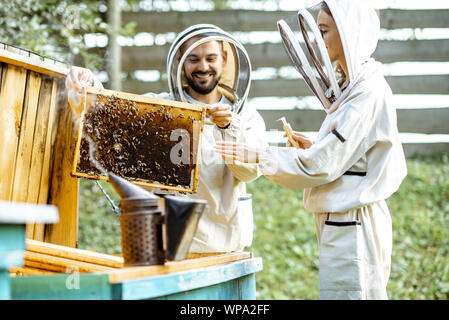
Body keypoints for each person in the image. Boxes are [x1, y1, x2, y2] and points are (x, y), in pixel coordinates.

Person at [215, 0, 407, 300]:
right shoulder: (355, 84)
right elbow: (349, 152)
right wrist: (316, 144)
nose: (317, 39)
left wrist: (259, 154)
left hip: (353, 223)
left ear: (349, 32)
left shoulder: (367, 92)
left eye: (324, 30)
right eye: (316, 30)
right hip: (343, 220)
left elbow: (321, 165)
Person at [66, 24, 267, 253]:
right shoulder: (159, 107)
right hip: (165, 244)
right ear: (181, 60)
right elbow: (114, 119)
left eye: (211, 58)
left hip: (223, 249)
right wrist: (89, 84)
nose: (203, 67)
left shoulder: (247, 117)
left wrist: (228, 128)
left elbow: (249, 171)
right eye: (193, 59)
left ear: (224, 58)